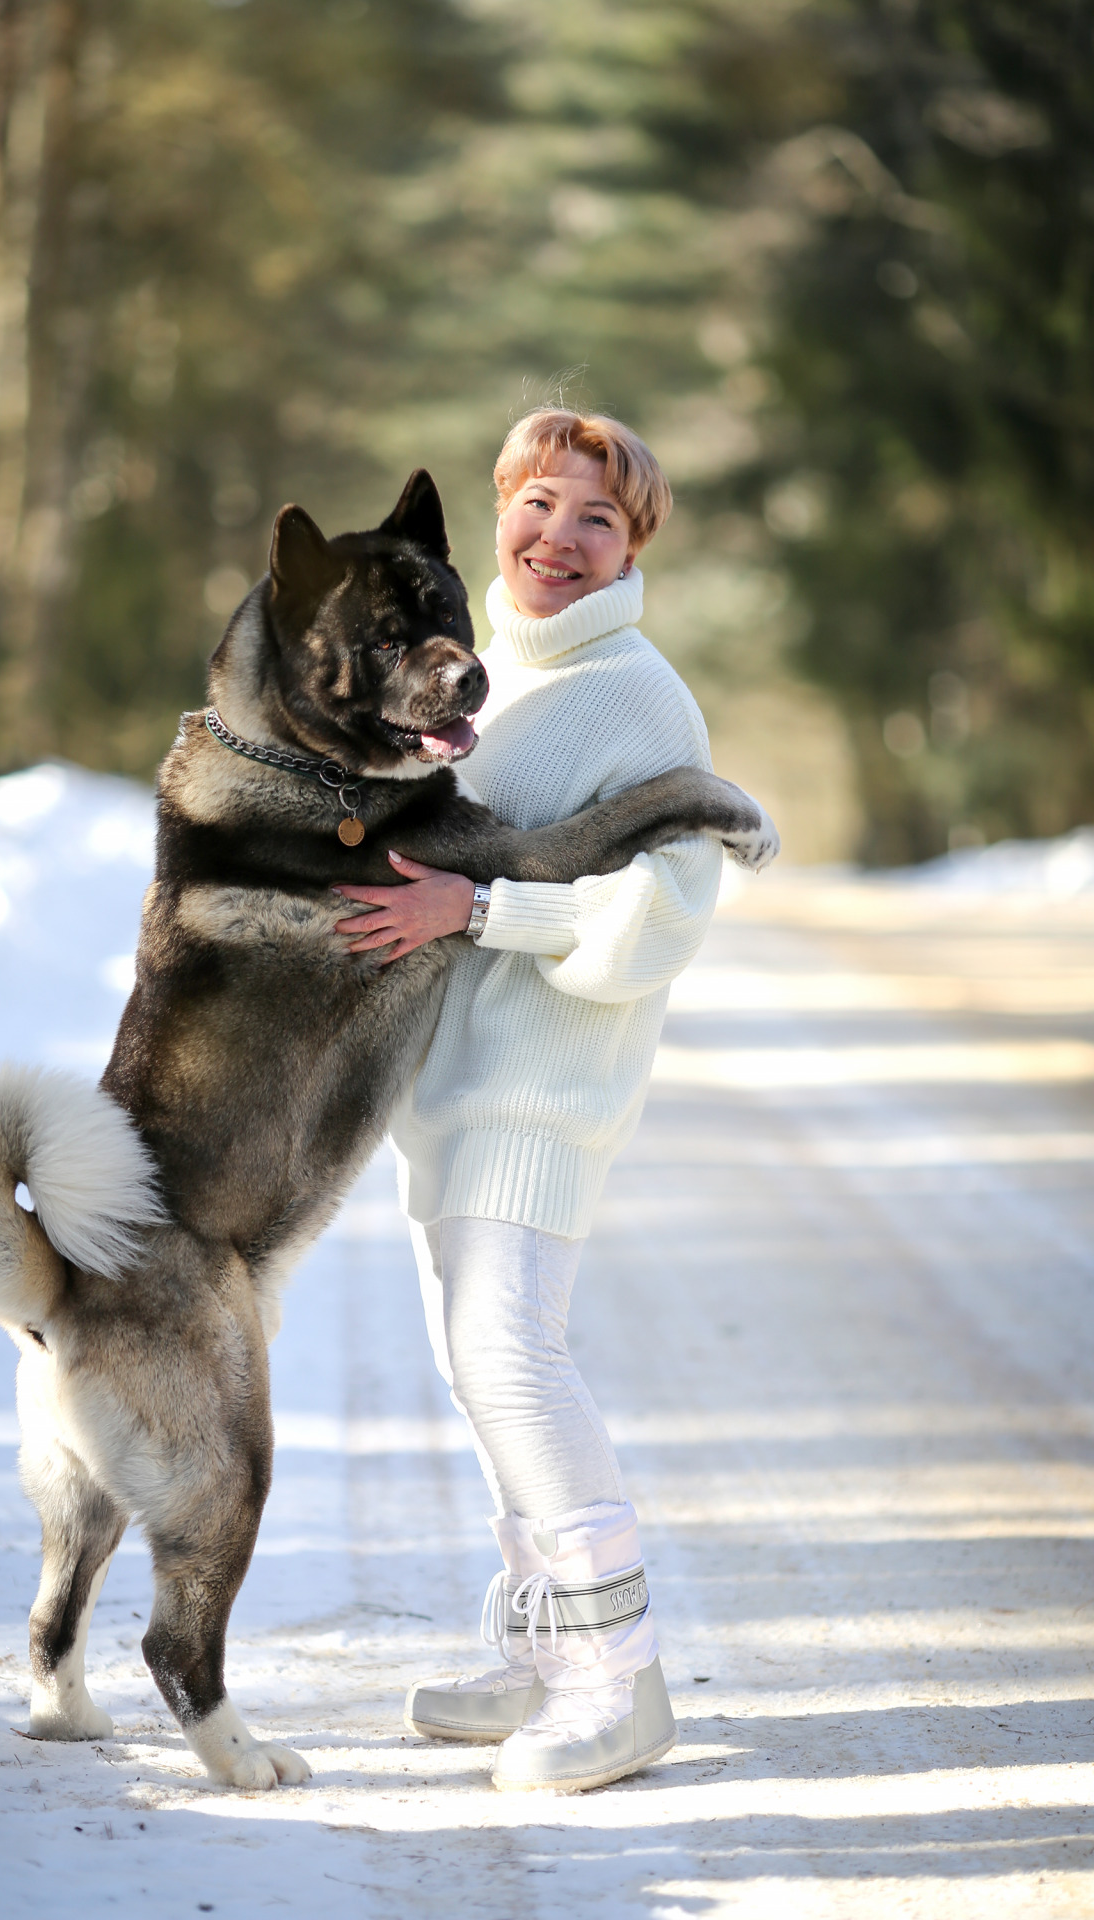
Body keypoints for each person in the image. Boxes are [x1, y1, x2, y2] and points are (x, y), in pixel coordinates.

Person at [332, 407, 734, 1793]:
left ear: (635, 548)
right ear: (500, 508)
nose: (560, 537)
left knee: (513, 1353)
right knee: (472, 1367)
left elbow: (663, 911)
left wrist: (485, 909)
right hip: (440, 1088)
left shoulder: (642, 697)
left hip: (542, 1088)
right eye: (541, 502)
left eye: (598, 520)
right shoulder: (477, 675)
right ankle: (543, 1655)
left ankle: (618, 1681)